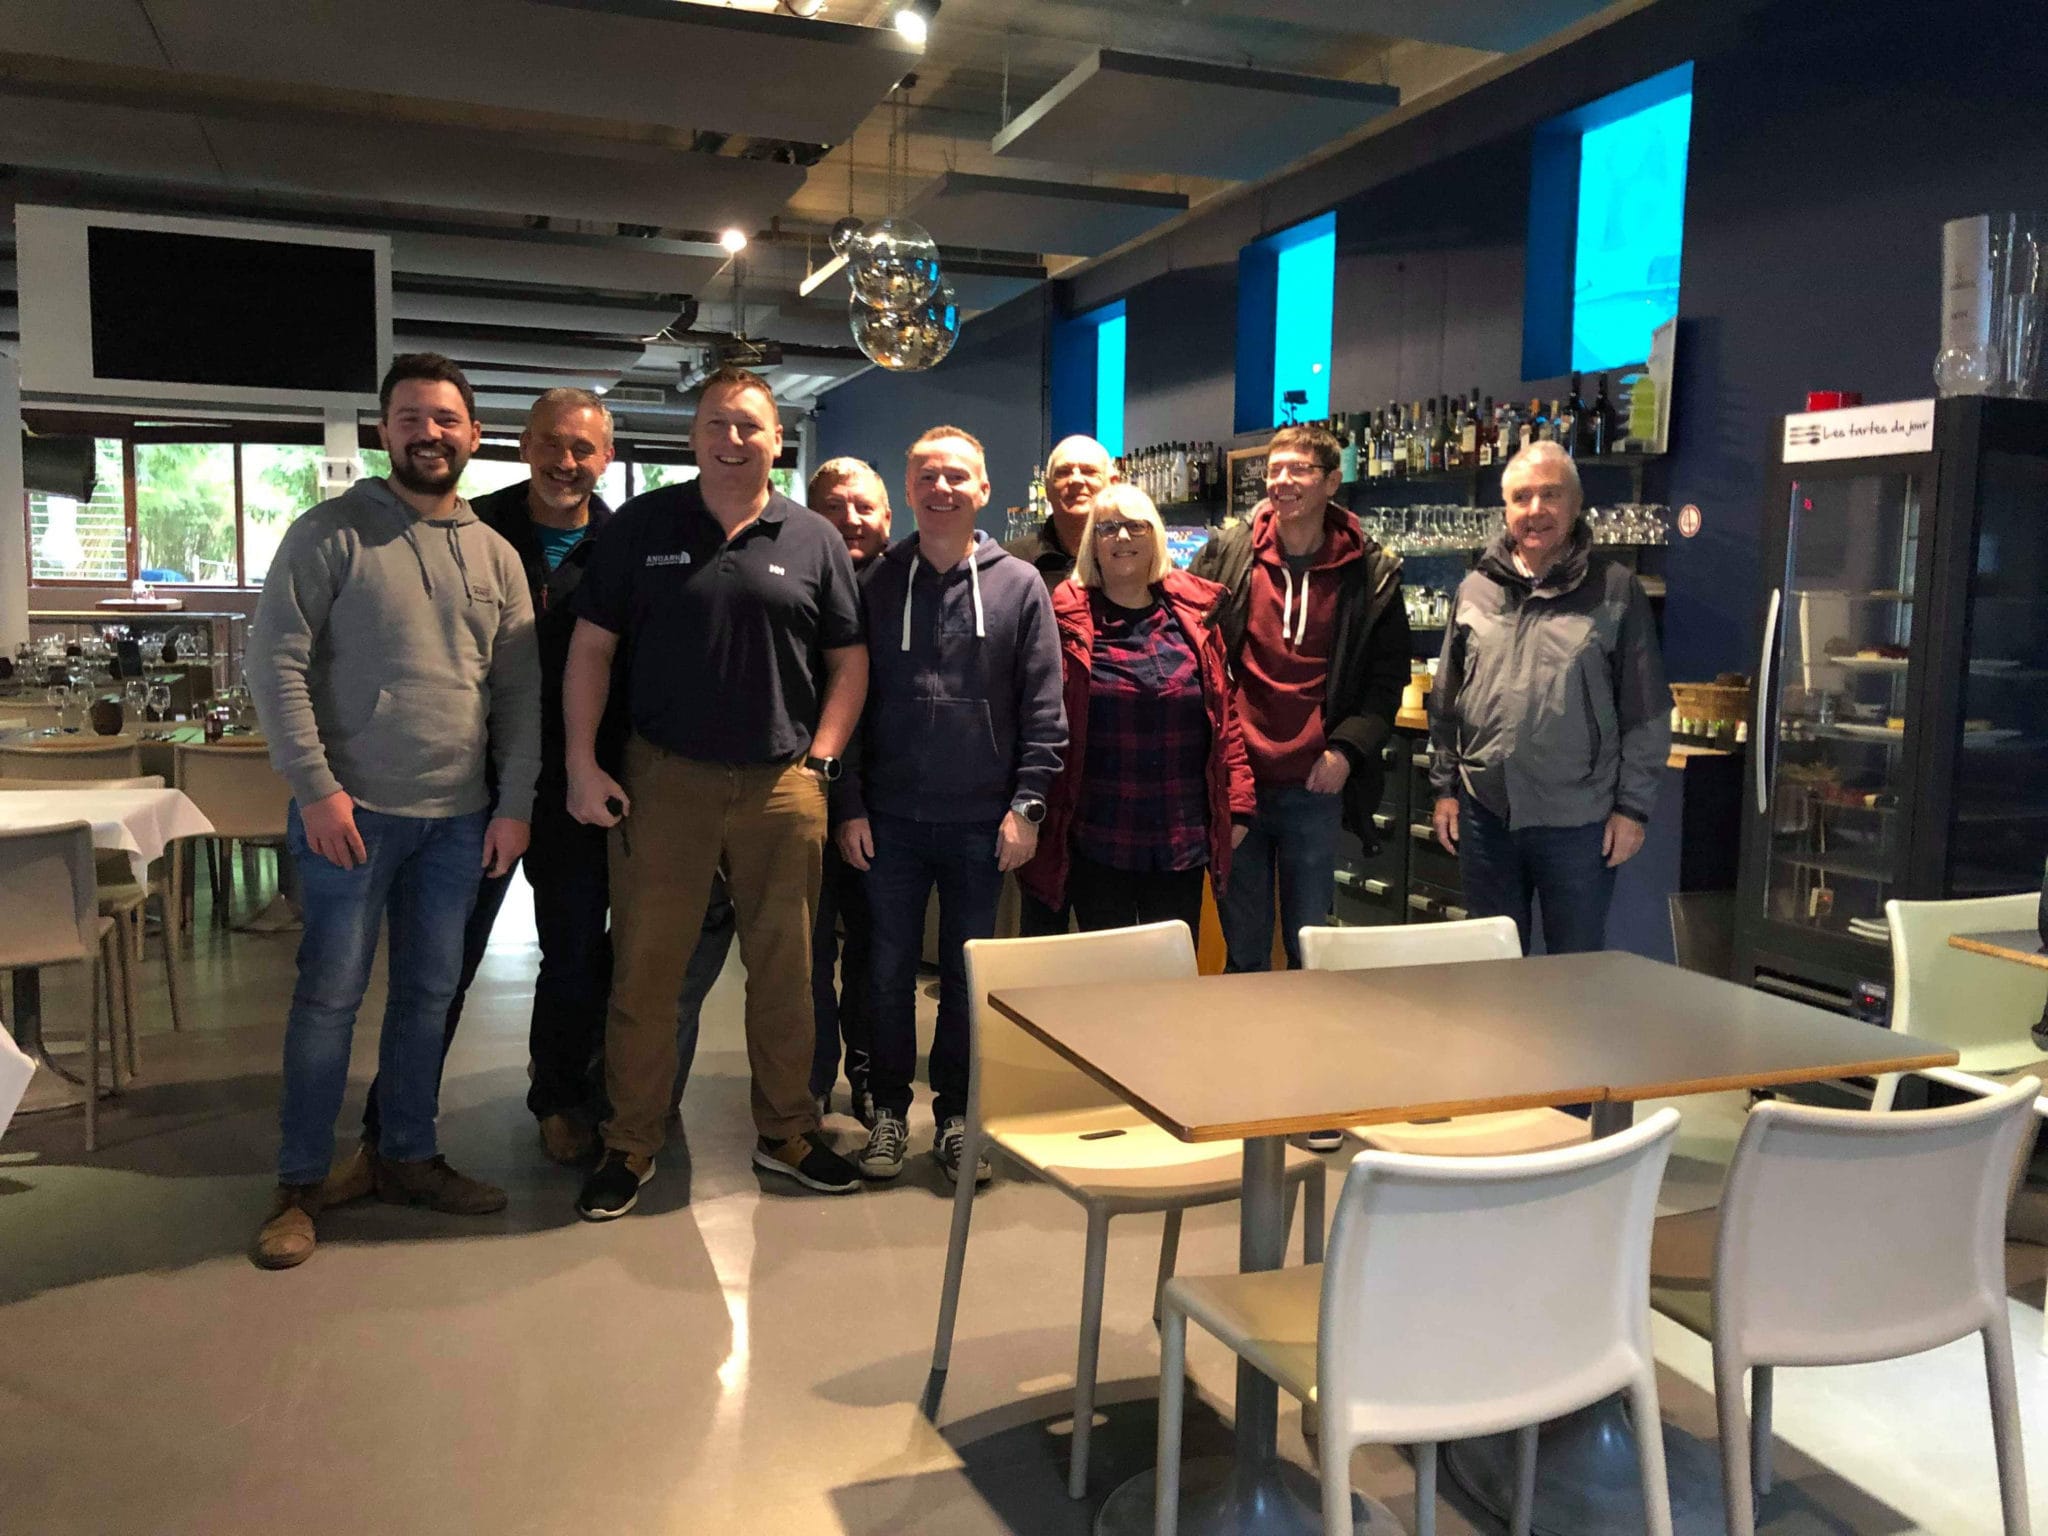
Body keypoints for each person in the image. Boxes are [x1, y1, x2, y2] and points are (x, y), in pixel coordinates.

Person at [344, 390, 734, 1187]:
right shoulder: (472, 529)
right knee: (442, 964)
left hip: (583, 784)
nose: (566, 462)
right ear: (521, 446)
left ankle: (558, 1099)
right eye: (552, 444)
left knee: (574, 958)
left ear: (607, 457)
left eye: (584, 449)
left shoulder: (630, 541)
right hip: (472, 783)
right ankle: (390, 1129)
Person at [245, 352, 541, 1269]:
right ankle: (300, 1185)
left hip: (459, 821)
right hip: (351, 816)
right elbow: (274, 663)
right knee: (328, 1000)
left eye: (446, 418)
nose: (429, 433)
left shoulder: (496, 554)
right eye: (410, 417)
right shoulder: (330, 533)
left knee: (427, 997)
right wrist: (316, 788)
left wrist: (513, 805)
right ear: (385, 431)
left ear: (474, 435)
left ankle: (406, 1155)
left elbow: (518, 695)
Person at [566, 366, 868, 1217]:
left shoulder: (813, 538)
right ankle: (630, 1141)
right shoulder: (643, 526)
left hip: (781, 786)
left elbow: (849, 661)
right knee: (647, 972)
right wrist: (584, 762)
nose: (732, 440)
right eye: (716, 425)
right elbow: (591, 649)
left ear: (778, 440)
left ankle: (788, 1131)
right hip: (664, 783)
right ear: (694, 436)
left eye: (749, 426)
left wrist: (822, 762)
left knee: (787, 972)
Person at [836, 426, 1064, 1185]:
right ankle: (889, 1111)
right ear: (908, 490)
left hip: (982, 823)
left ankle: (959, 1116)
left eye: (957, 476)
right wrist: (849, 803)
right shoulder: (875, 584)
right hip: (888, 821)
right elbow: (847, 702)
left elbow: (1045, 709)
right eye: (928, 476)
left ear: (984, 489)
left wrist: (1027, 807)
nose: (942, 488)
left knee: (968, 978)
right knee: (886, 972)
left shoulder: (1020, 586)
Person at [1429, 439, 1670, 954]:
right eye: (1521, 497)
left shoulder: (1614, 589)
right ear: (1505, 509)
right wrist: (1446, 789)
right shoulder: (1475, 588)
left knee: (1573, 972)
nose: (1535, 509)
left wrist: (1633, 809)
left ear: (1575, 505)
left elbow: (1646, 709)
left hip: (1578, 821)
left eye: (1550, 495)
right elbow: (1446, 701)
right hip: (1485, 814)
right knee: (1492, 967)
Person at [1190, 423, 1410, 974]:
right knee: (1243, 949)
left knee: (1309, 948)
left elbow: (1387, 681)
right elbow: (1189, 639)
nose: (1282, 481)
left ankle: (1304, 1034)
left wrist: (1346, 751)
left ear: (1332, 482)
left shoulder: (1371, 571)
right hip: (1238, 782)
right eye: (1275, 469)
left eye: (1300, 469)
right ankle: (1246, 1034)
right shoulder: (1229, 554)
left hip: (1315, 783)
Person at [1020, 483, 1252, 936]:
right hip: (1099, 839)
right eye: (1107, 528)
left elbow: (1226, 716)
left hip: (1181, 839)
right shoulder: (1065, 622)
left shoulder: (1195, 619)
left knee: (1172, 967)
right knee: (1109, 969)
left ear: (1156, 536)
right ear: (1092, 544)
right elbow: (1039, 722)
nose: (1122, 537)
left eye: (1135, 526)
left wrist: (1239, 805)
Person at [806, 457, 892, 1127]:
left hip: (886, 808)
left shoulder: (910, 585)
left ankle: (867, 1077)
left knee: (875, 953)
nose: (850, 519)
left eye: (863, 507)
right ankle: (808, 1083)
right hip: (801, 795)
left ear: (889, 517)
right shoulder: (793, 578)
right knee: (805, 953)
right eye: (833, 507)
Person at [1005, 433, 1117, 937]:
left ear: (1111, 480)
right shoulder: (1013, 564)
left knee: (1108, 933)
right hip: (1036, 772)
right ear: (1047, 487)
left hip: (1112, 775)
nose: (1076, 480)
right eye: (1063, 472)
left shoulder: (1130, 558)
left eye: (1088, 471)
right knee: (1039, 929)